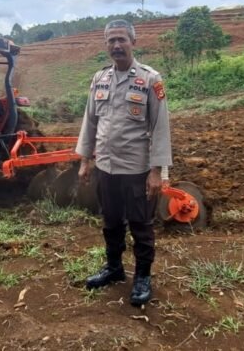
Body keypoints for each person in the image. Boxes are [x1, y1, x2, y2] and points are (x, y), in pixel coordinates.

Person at [74, 19, 172, 307]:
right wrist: (84, 160)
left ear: (133, 42)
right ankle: (114, 268)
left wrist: (157, 171)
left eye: (122, 40)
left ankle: (142, 276)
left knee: (141, 225)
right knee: (111, 222)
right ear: (106, 45)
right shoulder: (99, 79)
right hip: (106, 166)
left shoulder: (150, 79)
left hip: (136, 170)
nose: (116, 45)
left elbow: (160, 127)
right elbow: (89, 121)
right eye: (111, 41)